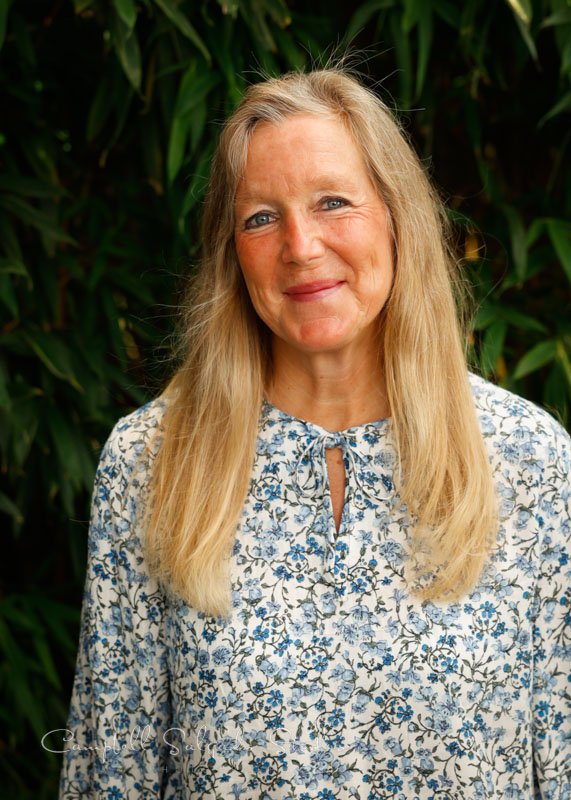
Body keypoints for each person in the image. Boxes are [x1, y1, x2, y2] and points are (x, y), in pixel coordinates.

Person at [58, 69, 570, 799]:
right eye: (261, 217)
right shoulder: (152, 462)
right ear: (230, 252)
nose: (300, 245)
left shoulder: (527, 459)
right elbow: (111, 769)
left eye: (333, 202)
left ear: (397, 216)